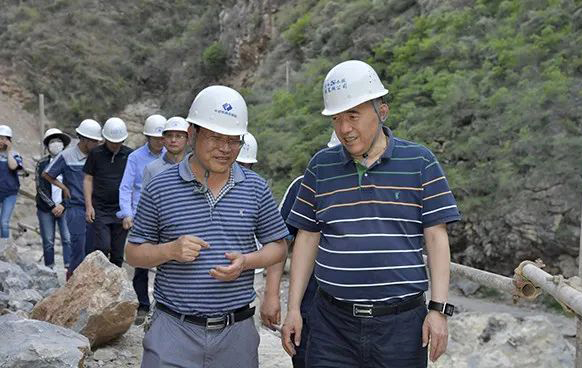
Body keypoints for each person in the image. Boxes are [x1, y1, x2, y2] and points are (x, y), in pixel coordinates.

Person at [281, 60, 461, 367]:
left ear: (382, 112)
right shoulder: (320, 166)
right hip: (331, 325)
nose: (344, 129)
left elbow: (436, 236)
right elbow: (308, 238)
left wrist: (438, 309)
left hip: (402, 327)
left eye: (353, 116)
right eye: (336, 118)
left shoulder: (420, 162)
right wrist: (294, 309)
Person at [125, 85, 288, 368]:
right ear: (192, 133)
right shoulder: (160, 187)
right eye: (215, 137)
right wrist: (170, 250)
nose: (225, 149)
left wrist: (247, 262)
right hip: (172, 331)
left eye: (234, 140)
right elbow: (133, 253)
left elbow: (278, 247)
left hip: (236, 335)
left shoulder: (256, 188)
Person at [261, 131, 340, 368]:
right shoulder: (304, 184)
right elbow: (281, 240)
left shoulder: (380, 185)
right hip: (310, 304)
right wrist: (272, 295)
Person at [117, 114, 166, 323]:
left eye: (163, 137)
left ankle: (165, 305)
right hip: (142, 216)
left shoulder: (173, 157)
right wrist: (127, 213)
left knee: (168, 262)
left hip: (167, 216)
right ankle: (143, 305)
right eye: (156, 138)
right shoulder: (135, 158)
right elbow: (126, 187)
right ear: (147, 137)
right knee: (142, 264)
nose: (160, 142)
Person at [43, 119, 103, 279]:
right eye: (95, 141)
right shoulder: (66, 156)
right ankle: (71, 281)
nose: (98, 144)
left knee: (93, 249)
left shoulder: (98, 155)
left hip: (96, 208)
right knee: (79, 247)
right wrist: (64, 188)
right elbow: (47, 174)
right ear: (84, 139)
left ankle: (88, 283)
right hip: (76, 208)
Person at [83, 117, 132, 267]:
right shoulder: (95, 154)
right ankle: (99, 277)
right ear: (105, 138)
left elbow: (135, 184)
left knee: (117, 254)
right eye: (112, 142)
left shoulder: (130, 155)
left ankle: (115, 280)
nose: (115, 145)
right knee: (102, 247)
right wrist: (89, 206)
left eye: (118, 142)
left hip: (121, 210)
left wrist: (130, 211)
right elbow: (88, 179)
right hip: (100, 209)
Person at [35, 128, 72, 272]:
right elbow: (40, 187)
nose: (56, 144)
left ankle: (69, 268)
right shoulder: (42, 163)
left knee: (67, 238)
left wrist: (63, 204)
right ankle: (49, 269)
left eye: (58, 141)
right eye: (52, 141)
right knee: (48, 241)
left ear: (63, 144)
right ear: (47, 145)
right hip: (45, 208)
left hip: (65, 207)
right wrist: (52, 206)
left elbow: (73, 186)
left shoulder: (69, 162)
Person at [0, 125, 23, 238]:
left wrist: (9, 152)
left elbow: (13, 166)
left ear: (9, 140)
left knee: (4, 222)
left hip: (10, 193)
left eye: (3, 138)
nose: (1, 141)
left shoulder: (15, 155)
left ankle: (4, 246)